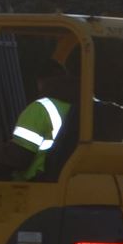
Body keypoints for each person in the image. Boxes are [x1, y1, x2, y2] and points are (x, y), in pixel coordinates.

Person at [11, 49, 76, 181]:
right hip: (78, 180)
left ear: (40, 82)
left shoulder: (40, 109)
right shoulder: (93, 106)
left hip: (38, 182)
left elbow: (20, 157)